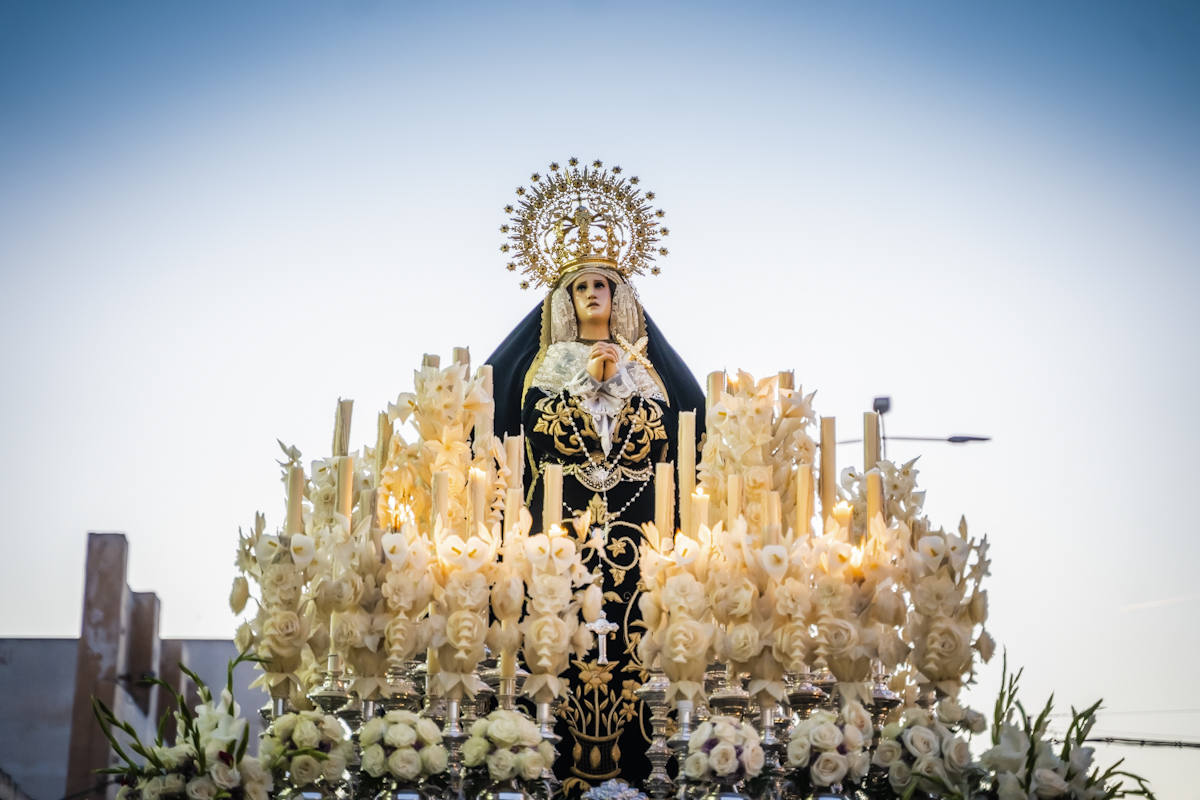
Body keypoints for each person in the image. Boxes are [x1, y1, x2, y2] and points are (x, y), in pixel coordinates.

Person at [485, 160, 704, 797]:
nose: (591, 294)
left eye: (603, 285)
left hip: (639, 531)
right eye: (579, 287)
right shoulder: (545, 363)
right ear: (563, 299)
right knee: (552, 641)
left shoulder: (647, 370)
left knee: (642, 640)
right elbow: (530, 427)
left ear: (620, 297)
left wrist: (620, 388)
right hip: (557, 530)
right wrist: (589, 385)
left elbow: (672, 432)